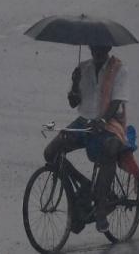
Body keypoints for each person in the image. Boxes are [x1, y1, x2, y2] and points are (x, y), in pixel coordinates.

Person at [43, 45, 133, 233]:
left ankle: (101, 209)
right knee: (51, 153)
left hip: (111, 123)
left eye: (100, 47)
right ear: (91, 48)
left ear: (107, 47)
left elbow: (117, 101)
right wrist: (75, 82)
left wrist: (102, 120)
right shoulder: (83, 68)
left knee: (108, 151)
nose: (97, 51)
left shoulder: (119, 70)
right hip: (84, 122)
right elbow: (73, 102)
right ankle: (84, 184)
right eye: (94, 47)